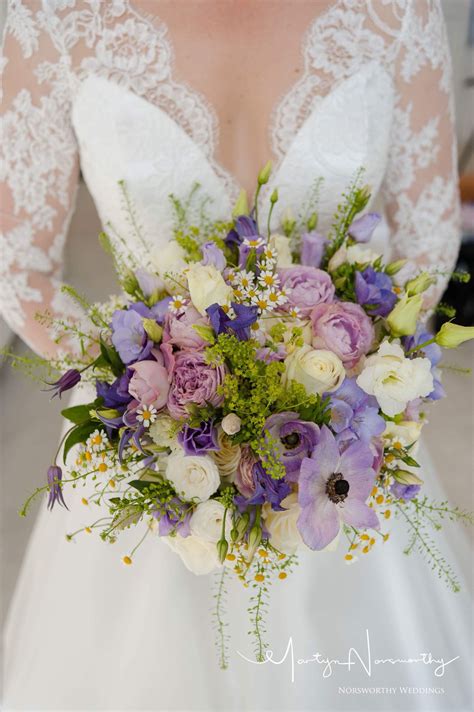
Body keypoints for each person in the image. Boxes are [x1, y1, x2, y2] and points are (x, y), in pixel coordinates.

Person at [1, 2, 471, 709]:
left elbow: (428, 241)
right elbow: (20, 262)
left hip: (339, 455)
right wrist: (141, 400)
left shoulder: (399, 11)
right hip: (145, 461)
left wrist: (342, 386)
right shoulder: (53, 15)